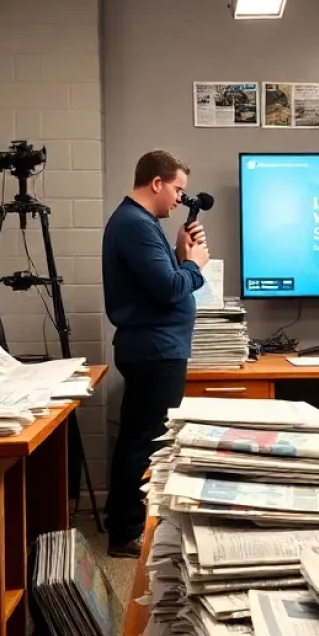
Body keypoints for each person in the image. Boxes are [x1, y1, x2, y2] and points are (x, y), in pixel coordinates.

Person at [102, 150, 210, 558]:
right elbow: (169, 288)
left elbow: (162, 280)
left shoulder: (141, 223)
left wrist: (182, 254)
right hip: (154, 350)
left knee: (140, 437)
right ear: (157, 183)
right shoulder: (135, 225)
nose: (180, 199)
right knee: (144, 441)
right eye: (177, 189)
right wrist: (195, 265)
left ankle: (128, 526)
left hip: (156, 348)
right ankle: (126, 532)